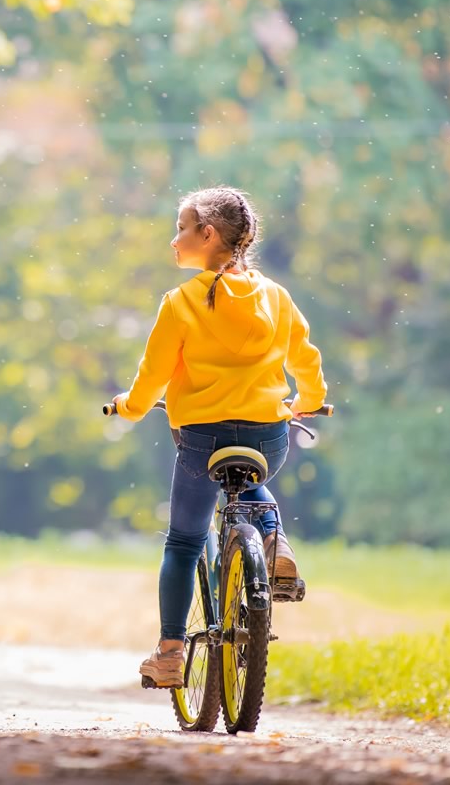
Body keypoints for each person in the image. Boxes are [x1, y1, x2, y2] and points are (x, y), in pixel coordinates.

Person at [110, 186, 326, 689]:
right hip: (268, 435)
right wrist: (309, 400)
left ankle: (168, 654)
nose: (174, 239)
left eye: (182, 228)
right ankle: (274, 542)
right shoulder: (275, 296)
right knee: (251, 481)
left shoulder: (180, 301)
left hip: (202, 438)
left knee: (184, 541)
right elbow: (306, 360)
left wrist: (130, 407)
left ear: (207, 235)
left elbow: (151, 378)